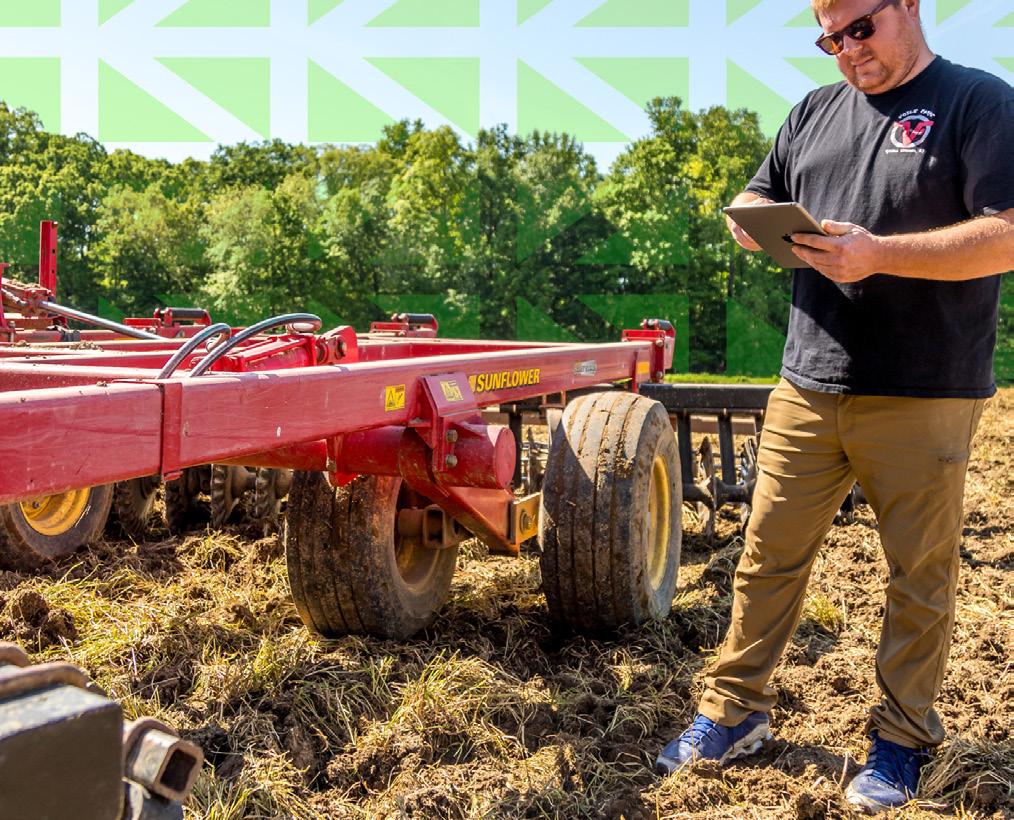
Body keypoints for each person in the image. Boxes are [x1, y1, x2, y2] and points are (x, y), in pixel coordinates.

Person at [654, 0, 1013, 812]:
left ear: (908, 6)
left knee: (917, 576)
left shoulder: (978, 101)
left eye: (860, 28)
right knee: (766, 556)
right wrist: (752, 225)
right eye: (829, 37)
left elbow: (1007, 234)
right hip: (808, 382)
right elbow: (756, 197)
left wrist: (877, 254)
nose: (847, 49)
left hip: (924, 388)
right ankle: (734, 713)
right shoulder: (813, 112)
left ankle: (902, 740)